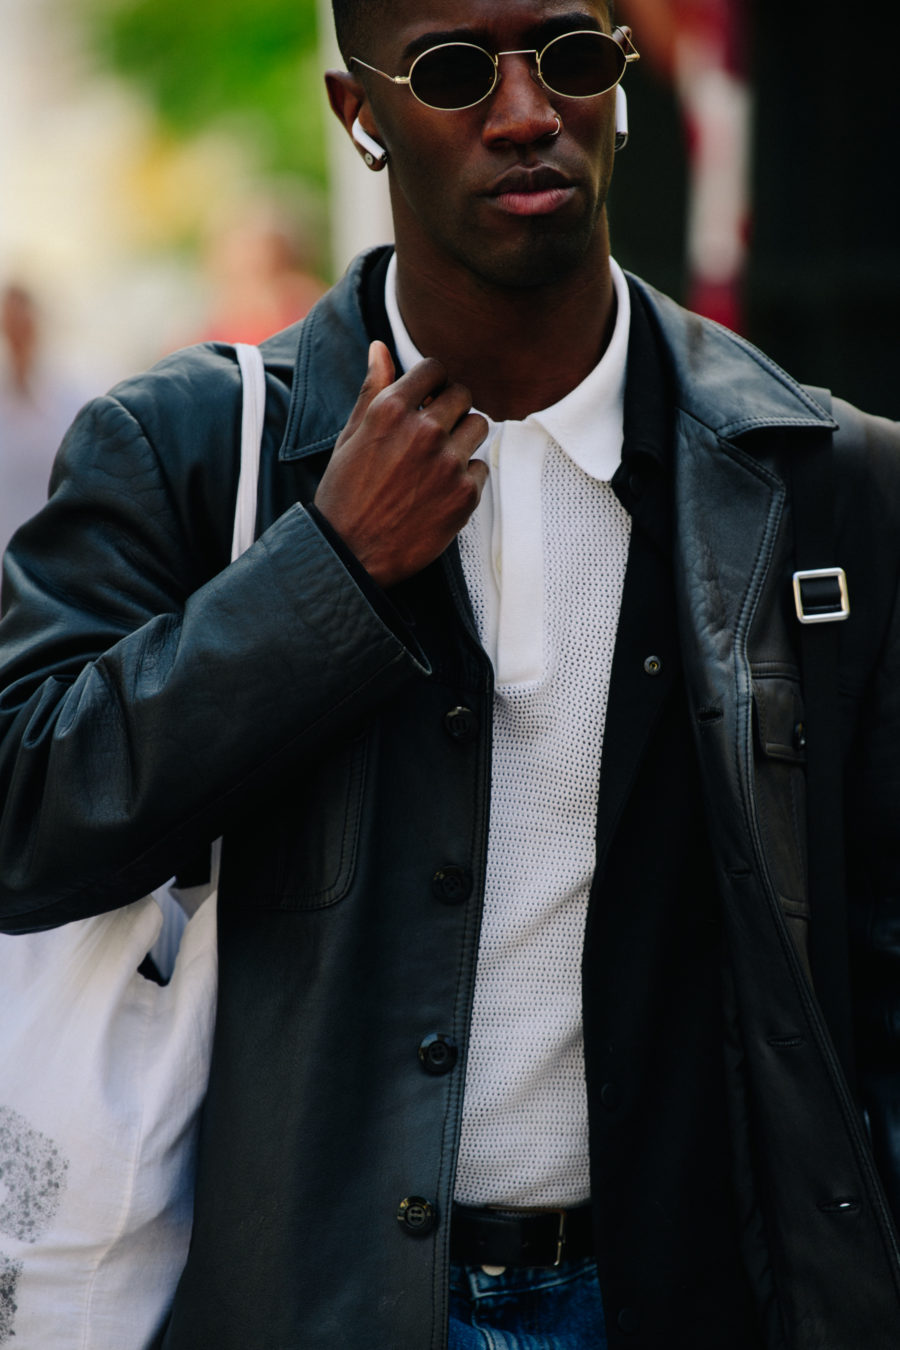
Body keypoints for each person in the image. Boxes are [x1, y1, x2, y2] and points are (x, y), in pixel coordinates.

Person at [0, 2, 899, 1346]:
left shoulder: (819, 479)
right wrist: (324, 574)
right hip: (317, 1302)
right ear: (358, 113)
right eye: (456, 71)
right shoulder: (183, 453)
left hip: (692, 1297)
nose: (529, 110)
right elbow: (26, 817)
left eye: (574, 56)